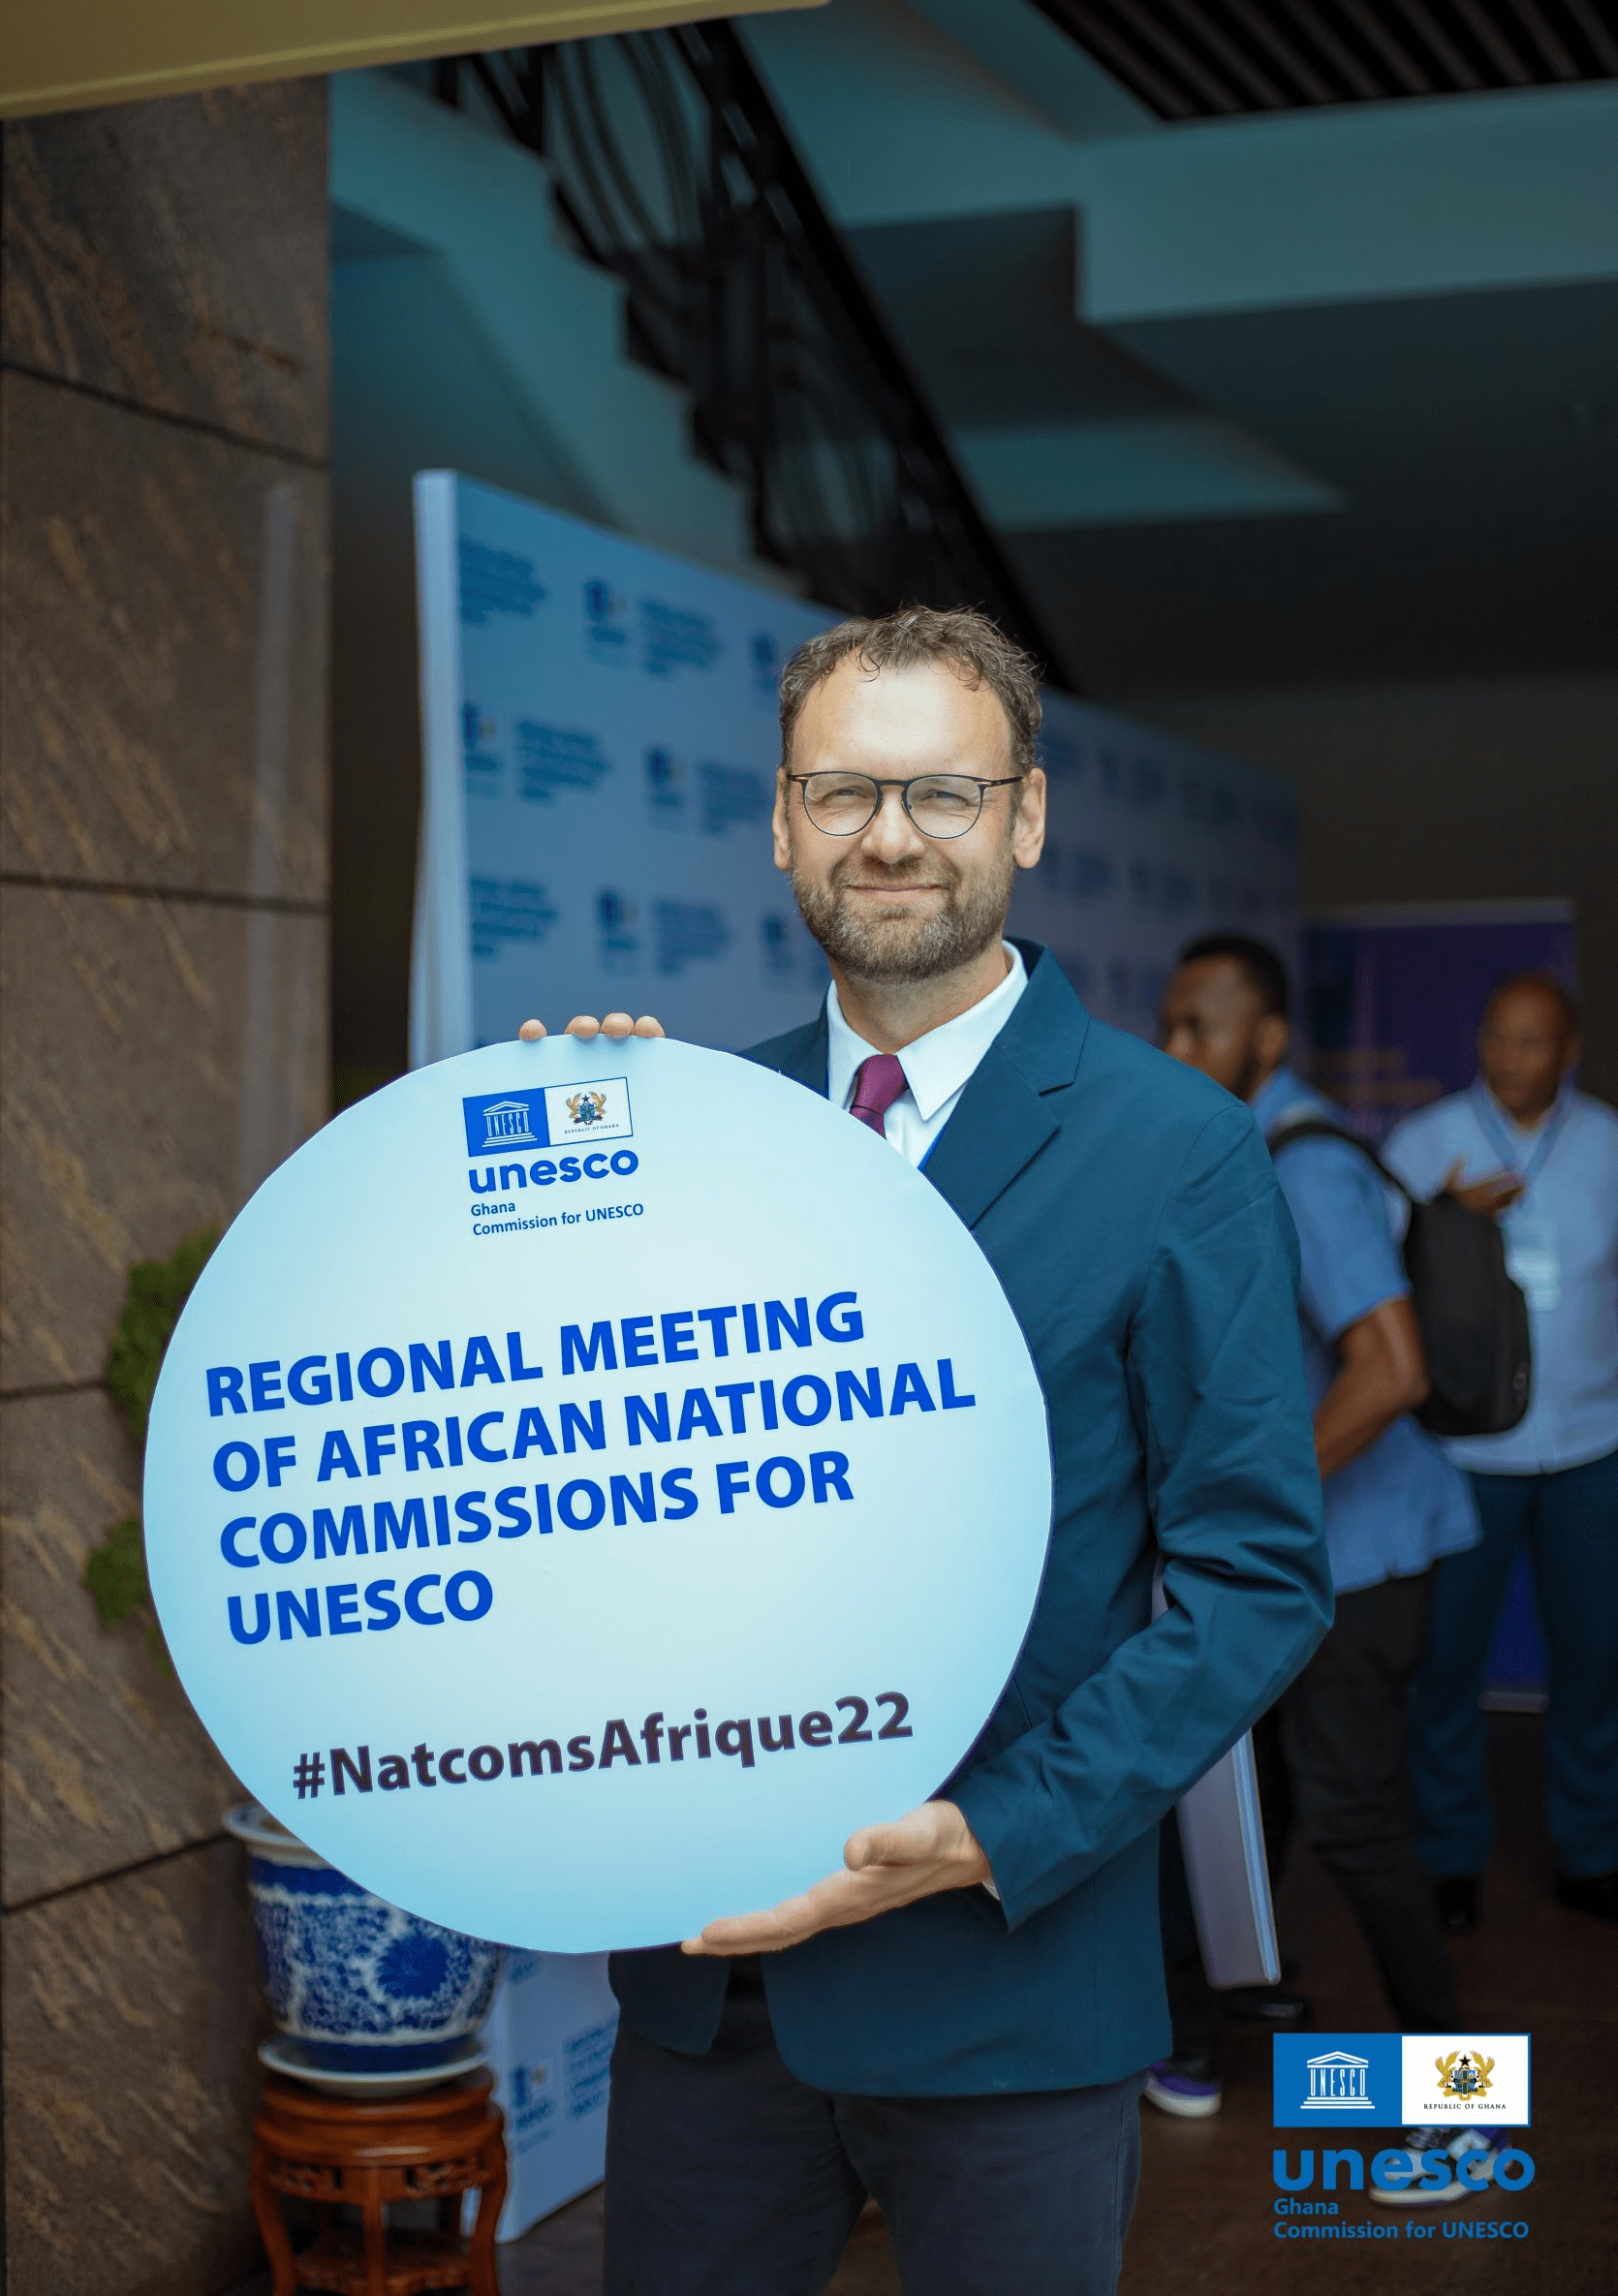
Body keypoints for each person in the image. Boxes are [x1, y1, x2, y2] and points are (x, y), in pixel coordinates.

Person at [520, 607, 1329, 2296]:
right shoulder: (686, 1132)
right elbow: (572, 1492)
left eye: (941, 794)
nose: (888, 836)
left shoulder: (1177, 1150)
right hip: (712, 1996)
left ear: (1023, 816)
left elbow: (1254, 1584)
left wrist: (985, 1835)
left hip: (1005, 1987)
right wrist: (533, 1206)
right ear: (780, 821)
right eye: (841, 791)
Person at [1158, 938, 1481, 2171]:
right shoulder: (1252, 1146)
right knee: (1250, 1797)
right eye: (1169, 1026)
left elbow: (1390, 1369)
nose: (1176, 1049)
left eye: (1200, 1028)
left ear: (1269, 1038)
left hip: (1360, 1559)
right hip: (1315, 1558)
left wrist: (1249, 1502)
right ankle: (1208, 2025)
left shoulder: (1301, 1165)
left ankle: (1458, 2099)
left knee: (1356, 1818)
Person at [1385, 972, 1618, 1929]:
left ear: (1569, 1052)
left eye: (1531, 1041)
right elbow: (1368, 1282)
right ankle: (1449, 1858)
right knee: (1447, 1664)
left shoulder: (1607, 1143)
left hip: (1591, 1448)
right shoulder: (1422, 1142)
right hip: (1465, 1454)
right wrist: (1439, 1219)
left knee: (1592, 1663)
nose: (1508, 1056)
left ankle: (1591, 1852)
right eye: (1495, 1036)